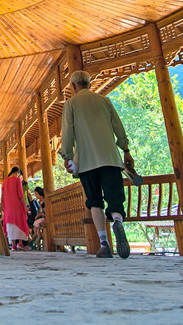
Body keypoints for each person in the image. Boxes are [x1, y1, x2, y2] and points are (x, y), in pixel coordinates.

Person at [58, 69, 133, 258]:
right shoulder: (104, 100)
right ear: (89, 84)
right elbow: (118, 125)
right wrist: (125, 149)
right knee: (115, 198)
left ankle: (104, 244)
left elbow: (67, 133)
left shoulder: (71, 104)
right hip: (110, 158)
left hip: (86, 160)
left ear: (73, 86)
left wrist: (67, 156)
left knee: (95, 201)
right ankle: (117, 220)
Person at [1, 166, 30, 250]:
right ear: (17, 172)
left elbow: (2, 194)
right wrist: (25, 206)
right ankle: (20, 243)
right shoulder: (17, 180)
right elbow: (21, 195)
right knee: (19, 222)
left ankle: (13, 244)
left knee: (10, 225)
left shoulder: (5, 181)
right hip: (17, 205)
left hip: (8, 207)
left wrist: (2, 204)